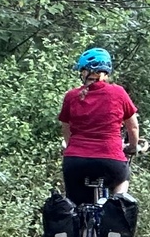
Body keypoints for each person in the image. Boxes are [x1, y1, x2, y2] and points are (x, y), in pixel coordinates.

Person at [58, 48, 139, 205]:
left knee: (74, 205)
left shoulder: (71, 96)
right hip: (111, 160)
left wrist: (70, 146)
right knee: (123, 177)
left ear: (85, 72)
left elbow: (66, 128)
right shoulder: (118, 93)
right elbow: (133, 127)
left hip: (75, 162)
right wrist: (133, 147)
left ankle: (77, 218)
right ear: (106, 72)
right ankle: (117, 204)